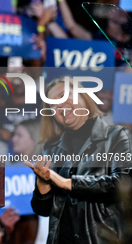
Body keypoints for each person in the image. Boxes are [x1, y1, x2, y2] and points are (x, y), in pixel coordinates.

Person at [25, 76, 132, 244]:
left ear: (83, 96)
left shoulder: (117, 136)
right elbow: (43, 210)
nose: (60, 105)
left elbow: (122, 184)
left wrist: (67, 183)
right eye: (53, 103)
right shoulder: (51, 148)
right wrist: (42, 182)